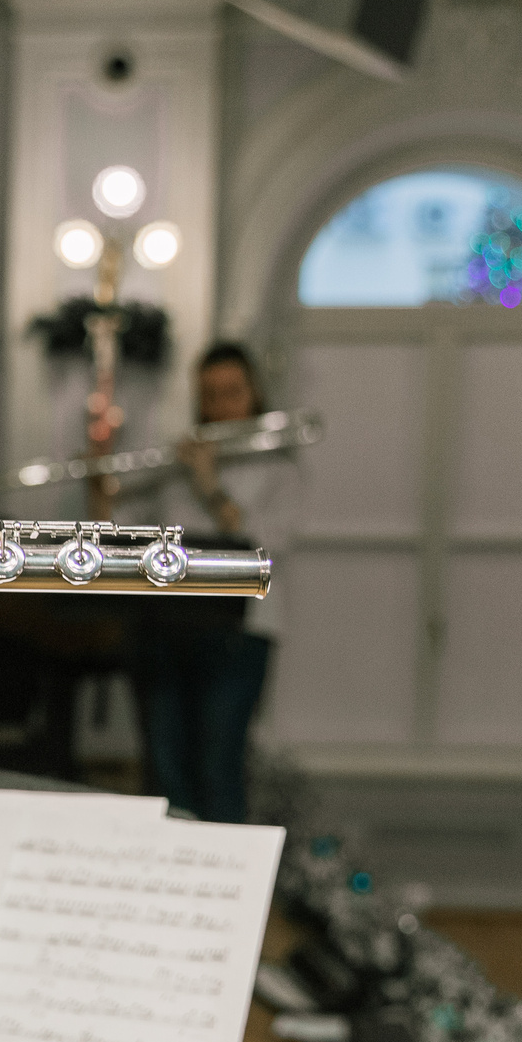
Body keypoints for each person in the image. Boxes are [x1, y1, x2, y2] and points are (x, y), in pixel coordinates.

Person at [125, 342, 303, 823]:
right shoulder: (178, 463)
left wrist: (210, 485)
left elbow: (265, 546)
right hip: (170, 629)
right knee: (166, 776)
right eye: (211, 395)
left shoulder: (279, 467)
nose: (223, 406)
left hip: (241, 636)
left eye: (233, 392)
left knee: (219, 767)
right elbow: (138, 536)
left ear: (254, 393)